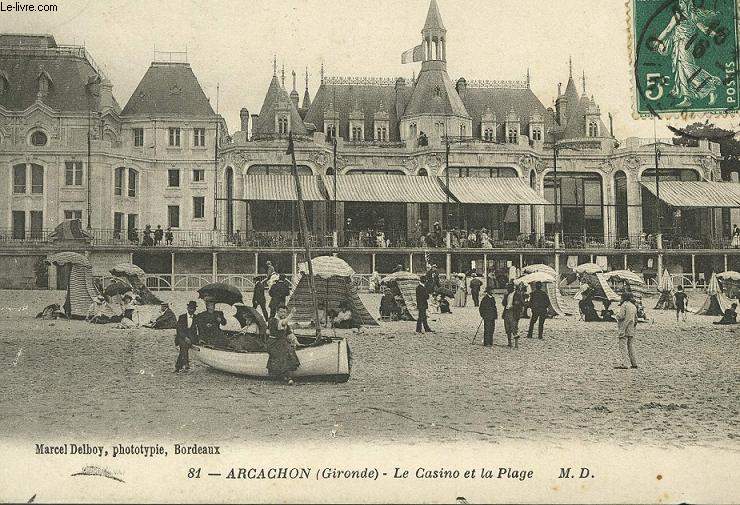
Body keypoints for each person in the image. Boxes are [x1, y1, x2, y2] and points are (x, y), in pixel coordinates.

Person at [267, 305, 301, 384]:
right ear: (277, 312)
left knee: (289, 350)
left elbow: (289, 334)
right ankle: (287, 377)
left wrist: (297, 343)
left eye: (285, 312)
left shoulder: (285, 323)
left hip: (281, 343)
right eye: (281, 312)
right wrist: (291, 314)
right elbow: (283, 323)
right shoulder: (273, 320)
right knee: (282, 354)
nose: (283, 314)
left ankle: (286, 376)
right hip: (273, 343)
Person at [614, 292, 638, 369]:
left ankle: (625, 363)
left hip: (624, 328)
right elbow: (636, 319)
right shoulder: (633, 306)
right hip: (631, 328)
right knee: (631, 346)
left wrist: (616, 314)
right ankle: (634, 363)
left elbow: (621, 316)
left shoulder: (624, 305)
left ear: (623, 298)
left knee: (623, 347)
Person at [175, 301, 198, 372]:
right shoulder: (182, 317)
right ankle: (186, 364)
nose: (192, 310)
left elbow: (199, 328)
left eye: (193, 309)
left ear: (195, 309)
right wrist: (185, 337)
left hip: (191, 337)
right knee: (184, 345)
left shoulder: (196, 317)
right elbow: (179, 330)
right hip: (181, 336)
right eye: (190, 308)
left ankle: (178, 366)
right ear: (187, 308)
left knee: (183, 348)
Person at [501, 283, 518, 348]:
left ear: (512, 288)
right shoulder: (507, 294)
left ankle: (516, 344)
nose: (507, 289)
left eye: (508, 288)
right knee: (507, 327)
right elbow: (503, 303)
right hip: (507, 311)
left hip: (513, 312)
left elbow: (520, 303)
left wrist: (514, 306)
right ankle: (509, 343)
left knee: (514, 328)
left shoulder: (517, 294)